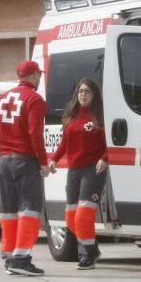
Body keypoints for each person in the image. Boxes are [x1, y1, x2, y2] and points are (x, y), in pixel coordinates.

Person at [0, 60, 52, 276]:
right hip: (25, 161)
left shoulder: (2, 99)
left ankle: (9, 256)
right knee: (30, 209)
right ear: (33, 75)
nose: (40, 78)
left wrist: (2, 151)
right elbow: (34, 133)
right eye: (39, 75)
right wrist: (43, 162)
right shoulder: (34, 100)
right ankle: (21, 258)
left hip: (5, 162)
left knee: (8, 210)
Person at [50, 78, 108, 269]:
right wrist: (54, 159)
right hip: (74, 171)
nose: (83, 94)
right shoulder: (71, 117)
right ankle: (92, 249)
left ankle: (87, 255)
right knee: (71, 217)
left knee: (83, 215)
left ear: (94, 95)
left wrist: (105, 158)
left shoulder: (100, 117)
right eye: (80, 91)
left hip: (93, 170)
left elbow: (111, 143)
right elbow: (64, 143)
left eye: (87, 91)